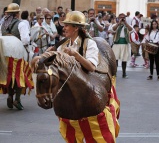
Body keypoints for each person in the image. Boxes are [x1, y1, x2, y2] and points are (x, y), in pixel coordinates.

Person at [38, 11, 120, 142]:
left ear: (76, 28)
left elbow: (92, 67)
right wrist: (48, 55)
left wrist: (76, 55)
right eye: (64, 25)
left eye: (67, 25)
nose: (63, 28)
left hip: (86, 83)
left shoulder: (89, 43)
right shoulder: (62, 44)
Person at [0, 3, 33, 110]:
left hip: (3, 50)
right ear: (17, 14)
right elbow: (25, 40)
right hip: (17, 50)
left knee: (9, 73)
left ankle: (10, 95)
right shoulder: (21, 24)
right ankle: (17, 99)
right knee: (20, 73)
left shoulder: (3, 23)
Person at [112, 13, 133, 78]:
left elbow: (131, 29)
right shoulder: (115, 24)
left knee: (124, 59)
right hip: (117, 44)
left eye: (123, 17)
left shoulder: (127, 25)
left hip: (125, 44)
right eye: (120, 17)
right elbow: (113, 29)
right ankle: (114, 73)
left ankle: (124, 73)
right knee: (115, 59)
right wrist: (119, 23)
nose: (122, 19)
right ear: (118, 18)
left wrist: (125, 23)